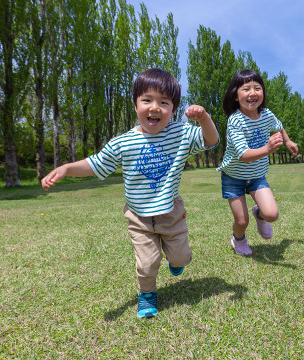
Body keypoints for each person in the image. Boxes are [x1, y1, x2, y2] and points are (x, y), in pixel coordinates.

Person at [41, 68, 219, 319]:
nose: (155, 107)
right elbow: (96, 163)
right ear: (135, 105)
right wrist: (67, 168)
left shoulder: (180, 134)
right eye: (147, 100)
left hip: (171, 212)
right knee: (147, 263)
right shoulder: (123, 143)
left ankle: (176, 262)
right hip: (139, 217)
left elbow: (211, 140)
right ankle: (147, 294)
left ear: (173, 109)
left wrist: (204, 118)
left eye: (164, 102)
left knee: (181, 258)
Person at [216, 69, 298, 256]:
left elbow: (279, 126)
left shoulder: (267, 114)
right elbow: (244, 155)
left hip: (256, 176)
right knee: (242, 221)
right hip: (234, 177)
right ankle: (238, 240)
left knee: (271, 214)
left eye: (257, 88)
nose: (252, 93)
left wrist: (288, 141)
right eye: (246, 89)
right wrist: (268, 149)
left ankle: (259, 214)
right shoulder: (235, 121)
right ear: (235, 96)